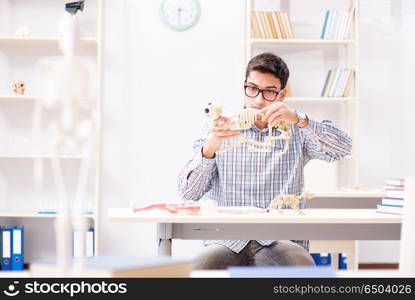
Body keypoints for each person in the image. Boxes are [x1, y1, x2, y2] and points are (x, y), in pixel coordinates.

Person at [177, 52, 352, 270]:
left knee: (302, 266)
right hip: (227, 239)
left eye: (269, 92)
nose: (258, 100)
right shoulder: (218, 128)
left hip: (281, 239)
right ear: (244, 87)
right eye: (252, 89)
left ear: (282, 94)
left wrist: (301, 119)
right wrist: (209, 149)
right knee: (197, 270)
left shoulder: (297, 130)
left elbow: (344, 148)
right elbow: (187, 193)